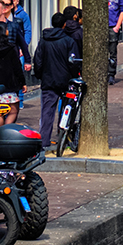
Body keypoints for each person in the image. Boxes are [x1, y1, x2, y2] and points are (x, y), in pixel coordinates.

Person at [34, 12, 79, 149]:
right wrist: (74, 76)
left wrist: (40, 75)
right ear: (64, 24)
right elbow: (73, 62)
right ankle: (64, 136)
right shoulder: (69, 41)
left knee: (47, 111)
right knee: (68, 108)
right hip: (65, 80)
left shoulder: (43, 40)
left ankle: (44, 140)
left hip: (48, 80)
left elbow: (38, 61)